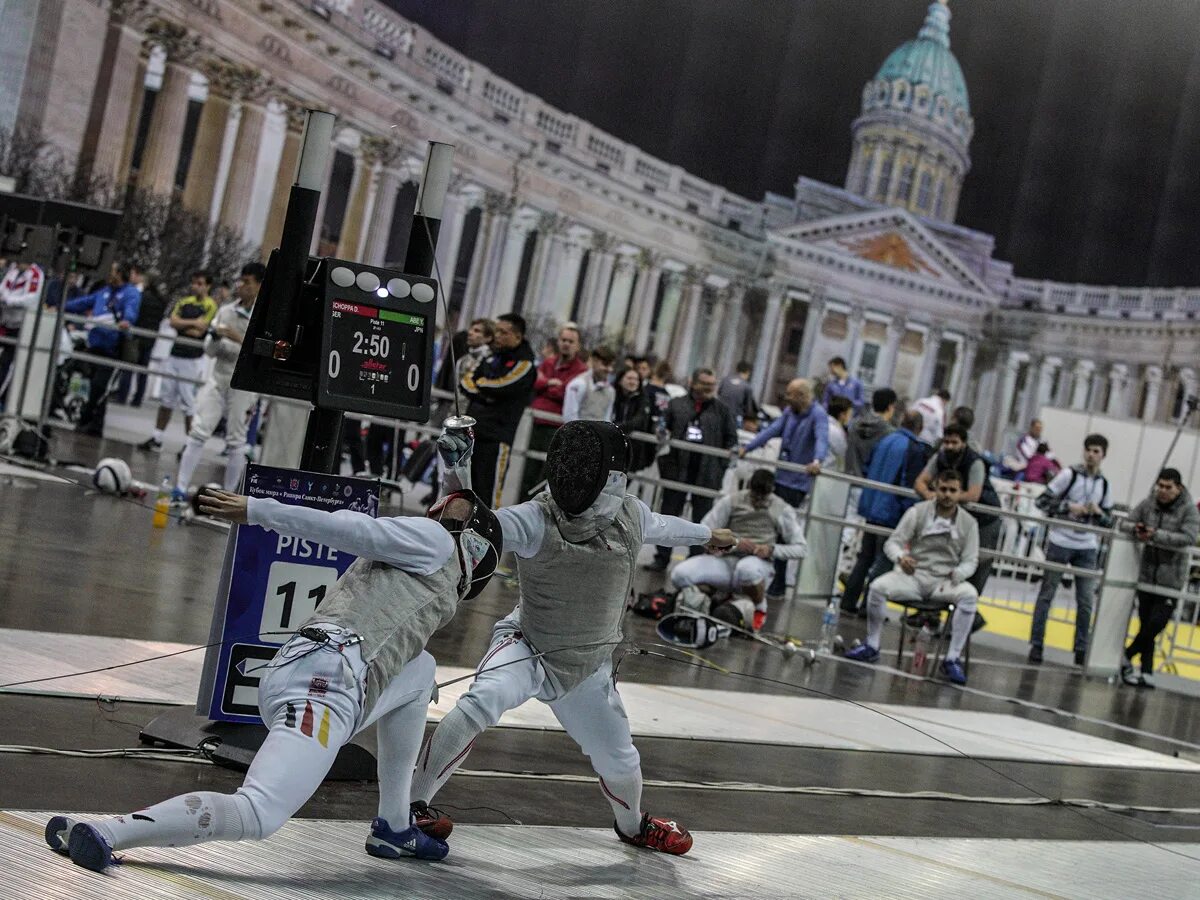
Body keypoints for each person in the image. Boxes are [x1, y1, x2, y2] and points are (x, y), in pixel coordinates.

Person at [44, 440, 504, 872]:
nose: (440, 510)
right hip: (325, 688)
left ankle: (395, 826)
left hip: (306, 670)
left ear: (473, 547)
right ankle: (107, 831)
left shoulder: (437, 550)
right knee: (258, 813)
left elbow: (456, 508)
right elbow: (354, 527)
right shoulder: (440, 545)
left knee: (421, 672)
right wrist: (259, 509)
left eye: (452, 512)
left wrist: (457, 470)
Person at [408, 420, 735, 855]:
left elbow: (665, 526)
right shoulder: (537, 517)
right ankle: (409, 807)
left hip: (587, 666)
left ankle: (634, 825)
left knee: (620, 757)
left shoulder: (630, 516)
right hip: (528, 646)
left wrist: (709, 535)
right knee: (478, 704)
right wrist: (457, 475)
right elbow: (479, 527)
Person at [845, 468, 980, 685]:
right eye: (943, 489)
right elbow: (893, 543)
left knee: (970, 595)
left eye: (952, 490)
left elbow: (971, 560)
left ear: (959, 492)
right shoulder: (917, 512)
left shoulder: (969, 523)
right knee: (877, 587)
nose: (947, 494)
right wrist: (901, 558)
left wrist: (958, 573)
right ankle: (872, 645)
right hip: (914, 576)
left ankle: (952, 658)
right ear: (935, 488)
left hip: (945, 581)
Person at [670, 468, 806, 631]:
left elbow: (801, 549)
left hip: (758, 565)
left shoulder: (782, 509)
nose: (758, 501)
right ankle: (712, 599)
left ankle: (759, 606)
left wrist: (771, 550)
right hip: (726, 561)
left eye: (763, 497)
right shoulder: (732, 501)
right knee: (680, 575)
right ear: (749, 487)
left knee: (746, 569)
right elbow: (703, 531)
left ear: (772, 491)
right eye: (755, 496)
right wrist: (733, 543)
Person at [173, 263, 265, 501]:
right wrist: (215, 339)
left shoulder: (264, 316)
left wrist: (235, 337)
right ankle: (180, 489)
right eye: (241, 281)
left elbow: (262, 352)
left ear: (259, 285)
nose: (241, 286)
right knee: (199, 431)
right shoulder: (226, 311)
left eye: (247, 282)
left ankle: (228, 498)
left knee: (236, 441)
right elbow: (210, 351)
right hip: (218, 378)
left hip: (244, 384)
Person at [1028, 434, 1115, 665]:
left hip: (1087, 545)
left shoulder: (1104, 484)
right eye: (1088, 450)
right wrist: (1068, 507)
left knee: (1086, 600)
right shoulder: (1069, 475)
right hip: (1060, 540)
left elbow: (1109, 521)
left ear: (1103, 455)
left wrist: (1098, 513)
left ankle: (1081, 648)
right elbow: (1042, 501)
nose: (1091, 455)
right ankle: (1036, 644)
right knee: (1047, 593)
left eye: (1096, 451)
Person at [740, 377, 828, 598]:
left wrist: (817, 461)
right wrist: (748, 447)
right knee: (771, 529)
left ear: (802, 396)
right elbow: (770, 431)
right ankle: (771, 579)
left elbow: (821, 439)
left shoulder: (818, 415)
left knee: (782, 533)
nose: (786, 398)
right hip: (780, 479)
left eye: (790, 394)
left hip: (797, 483)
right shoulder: (790, 413)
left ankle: (778, 584)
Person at [647, 368, 739, 572]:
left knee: (703, 520)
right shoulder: (677, 404)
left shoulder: (722, 410)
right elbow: (663, 427)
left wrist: (724, 462)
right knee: (669, 515)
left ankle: (695, 561)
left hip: (707, 475)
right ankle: (661, 557)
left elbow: (732, 440)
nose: (709, 389)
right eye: (705, 385)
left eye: (712, 385)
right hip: (677, 471)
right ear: (693, 383)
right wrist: (661, 432)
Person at [841, 410, 931, 616]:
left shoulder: (886, 439)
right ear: (919, 427)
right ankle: (869, 608)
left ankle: (848, 601)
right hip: (890, 511)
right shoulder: (914, 448)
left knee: (864, 557)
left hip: (871, 504)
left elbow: (867, 466)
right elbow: (909, 484)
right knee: (885, 559)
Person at [1120, 469, 1199, 688]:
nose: (1162, 491)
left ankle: (1126, 654)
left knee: (1155, 625)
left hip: (1170, 579)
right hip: (1147, 575)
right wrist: (1137, 530)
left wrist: (1156, 536)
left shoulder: (1189, 510)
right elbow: (1125, 523)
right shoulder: (1148, 504)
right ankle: (1146, 671)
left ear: (1178, 488)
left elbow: (1188, 537)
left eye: (1168, 487)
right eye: (1160, 486)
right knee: (1146, 624)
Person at [914, 423, 1002, 600]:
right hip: (958, 517)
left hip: (985, 520)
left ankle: (968, 607)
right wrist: (929, 494)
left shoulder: (975, 461)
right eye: (946, 442)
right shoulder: (941, 457)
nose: (949, 446)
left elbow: (973, 494)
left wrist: (942, 495)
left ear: (964, 442)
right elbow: (920, 482)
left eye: (954, 442)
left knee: (976, 563)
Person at [460, 312, 536, 507]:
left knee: (489, 496)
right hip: (472, 433)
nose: (498, 336)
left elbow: (504, 386)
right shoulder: (490, 357)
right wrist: (487, 393)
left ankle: (489, 534)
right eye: (497, 332)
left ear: (518, 336)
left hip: (497, 438)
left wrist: (483, 385)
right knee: (464, 491)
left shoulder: (525, 364)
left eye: (504, 332)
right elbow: (467, 382)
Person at [138, 271, 218, 451]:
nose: (196, 286)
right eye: (194, 283)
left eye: (200, 283)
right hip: (174, 355)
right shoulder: (184, 302)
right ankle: (157, 438)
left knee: (188, 403)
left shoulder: (210, 305)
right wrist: (191, 323)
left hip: (192, 359)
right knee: (166, 399)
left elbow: (201, 329)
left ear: (207, 286)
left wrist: (187, 324)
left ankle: (189, 444)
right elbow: (173, 322)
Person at [63, 262, 141, 436]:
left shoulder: (130, 293)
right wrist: (61, 305)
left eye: (113, 271)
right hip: (95, 345)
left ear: (120, 274)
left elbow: (131, 310)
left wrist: (127, 320)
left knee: (100, 387)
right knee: (86, 379)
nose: (109, 275)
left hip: (113, 348)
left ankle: (87, 419)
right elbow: (83, 303)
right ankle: (93, 425)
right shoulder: (105, 292)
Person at [522, 324, 586, 499]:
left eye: (571, 341)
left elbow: (565, 392)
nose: (566, 344)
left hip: (556, 427)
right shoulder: (549, 362)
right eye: (564, 340)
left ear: (578, 345)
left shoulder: (582, 371)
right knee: (526, 470)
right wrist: (550, 383)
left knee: (545, 473)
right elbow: (534, 382)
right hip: (535, 423)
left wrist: (546, 383)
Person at [0, 260, 44, 404]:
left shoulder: (35, 273)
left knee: (7, 364)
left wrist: (9, 300)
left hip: (21, 326)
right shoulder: (13, 268)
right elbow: (2, 288)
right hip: (5, 321)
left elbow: (30, 299)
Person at [612, 366, 657, 472]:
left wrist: (616, 428)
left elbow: (639, 420)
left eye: (636, 379)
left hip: (632, 449)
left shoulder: (643, 399)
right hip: (613, 445)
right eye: (629, 378)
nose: (632, 382)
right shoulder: (613, 394)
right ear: (620, 380)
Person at [844, 388, 897, 478]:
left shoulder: (854, 425)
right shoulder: (891, 435)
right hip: (870, 485)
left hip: (849, 480)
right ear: (890, 407)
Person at [562, 346, 616, 423]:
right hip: (577, 433)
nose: (609, 369)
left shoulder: (611, 391)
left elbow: (607, 420)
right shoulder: (578, 384)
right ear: (594, 361)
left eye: (611, 366)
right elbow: (569, 417)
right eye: (605, 364)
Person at [718, 360, 757, 426]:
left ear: (736, 369)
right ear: (748, 372)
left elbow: (719, 393)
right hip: (734, 418)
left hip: (719, 413)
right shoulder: (747, 386)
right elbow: (748, 409)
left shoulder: (725, 380)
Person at [825, 395, 853, 470]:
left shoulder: (823, 424)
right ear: (842, 415)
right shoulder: (836, 432)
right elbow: (843, 453)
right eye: (850, 414)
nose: (850, 417)